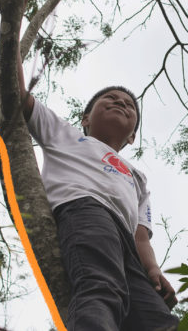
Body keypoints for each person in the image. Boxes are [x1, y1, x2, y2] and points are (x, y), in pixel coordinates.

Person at [17, 48, 179, 330]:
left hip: (126, 244)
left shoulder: (138, 178)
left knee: (158, 319)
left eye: (128, 105)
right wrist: (13, 52)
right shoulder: (65, 134)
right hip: (84, 210)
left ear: (132, 136)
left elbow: (141, 236)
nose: (120, 103)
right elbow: (18, 95)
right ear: (85, 119)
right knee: (101, 287)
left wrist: (152, 268)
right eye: (110, 99)